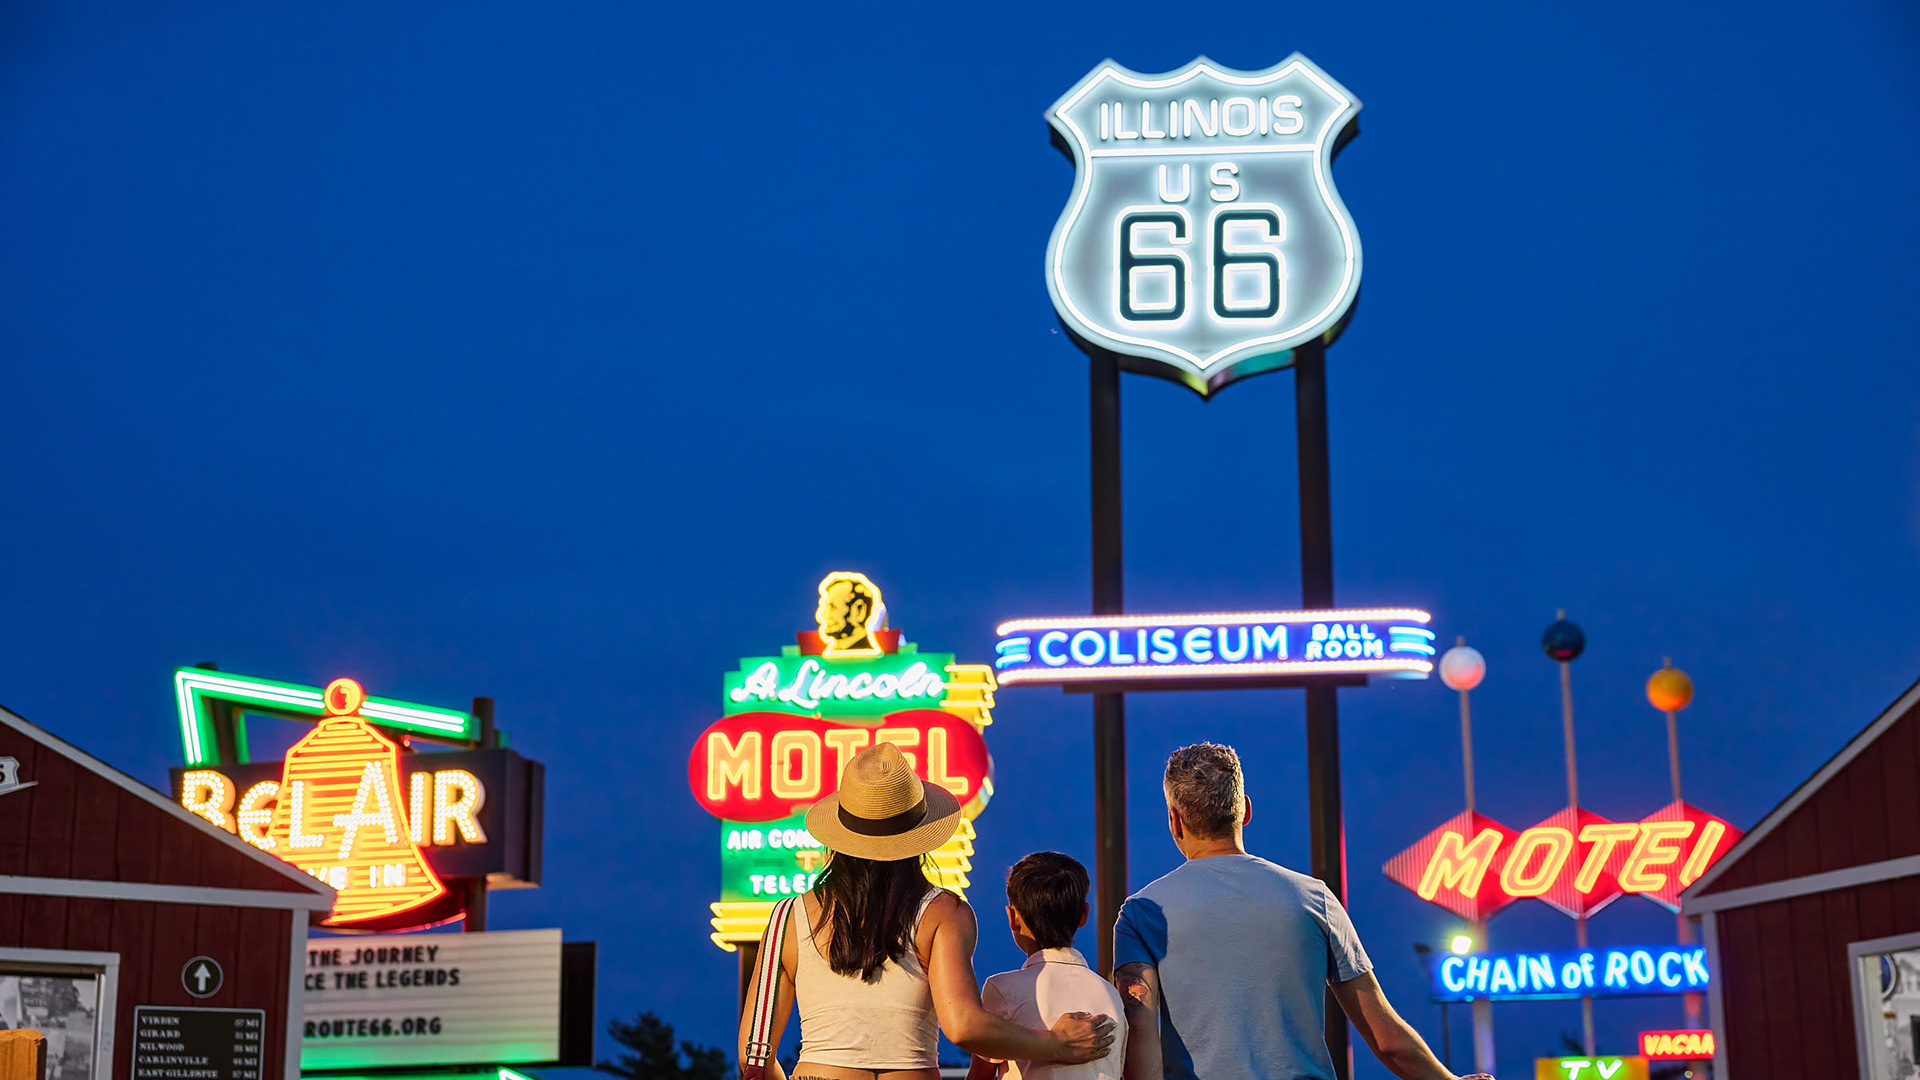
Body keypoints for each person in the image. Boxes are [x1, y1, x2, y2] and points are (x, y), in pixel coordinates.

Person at [1112, 743, 1493, 1080]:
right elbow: (1386, 1038)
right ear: (1245, 810)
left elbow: (1140, 1031)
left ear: (1175, 820)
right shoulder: (1314, 899)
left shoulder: (1141, 914)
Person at [738, 743, 1116, 1080]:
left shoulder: (788, 916)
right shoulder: (944, 913)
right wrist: (1056, 1043)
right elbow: (963, 1025)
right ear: (918, 832)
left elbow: (752, 1054)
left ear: (841, 830)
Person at [964, 852, 1127, 1080]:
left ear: (1013, 917)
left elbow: (979, 1076)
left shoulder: (1001, 990)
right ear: (1084, 915)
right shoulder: (1111, 996)